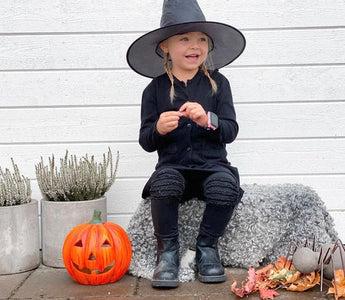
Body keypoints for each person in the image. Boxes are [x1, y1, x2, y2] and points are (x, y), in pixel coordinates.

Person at [126, 0, 246, 288]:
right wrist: (158, 129)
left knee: (224, 186)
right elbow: (145, 140)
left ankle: (207, 248)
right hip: (174, 167)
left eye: (202, 39)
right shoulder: (154, 89)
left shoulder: (219, 84)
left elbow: (230, 130)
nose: (195, 46)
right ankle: (167, 253)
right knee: (164, 182)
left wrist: (208, 120)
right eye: (185, 38)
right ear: (165, 46)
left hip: (212, 167)